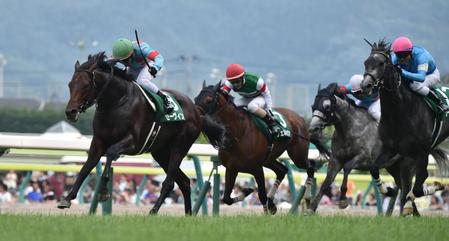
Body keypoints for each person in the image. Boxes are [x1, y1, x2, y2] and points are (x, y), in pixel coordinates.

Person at [112, 38, 174, 114]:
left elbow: (159, 57)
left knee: (142, 81)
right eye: (123, 60)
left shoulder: (142, 49)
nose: (125, 62)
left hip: (148, 64)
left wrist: (155, 67)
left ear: (132, 52)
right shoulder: (117, 55)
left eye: (127, 59)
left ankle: (165, 99)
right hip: (133, 67)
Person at [220, 63, 281, 137]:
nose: (235, 84)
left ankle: (271, 122)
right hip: (246, 98)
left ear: (243, 77)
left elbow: (267, 95)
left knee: (251, 106)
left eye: (237, 81)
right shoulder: (229, 83)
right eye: (233, 82)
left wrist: (269, 109)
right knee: (232, 106)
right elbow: (222, 96)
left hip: (260, 97)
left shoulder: (257, 81)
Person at [391, 36, 449, 112]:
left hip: (430, 75)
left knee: (415, 85)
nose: (402, 58)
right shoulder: (394, 58)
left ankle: (439, 102)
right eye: (399, 55)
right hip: (413, 75)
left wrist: (403, 72)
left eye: (404, 55)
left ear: (410, 52)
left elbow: (421, 78)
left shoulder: (422, 56)